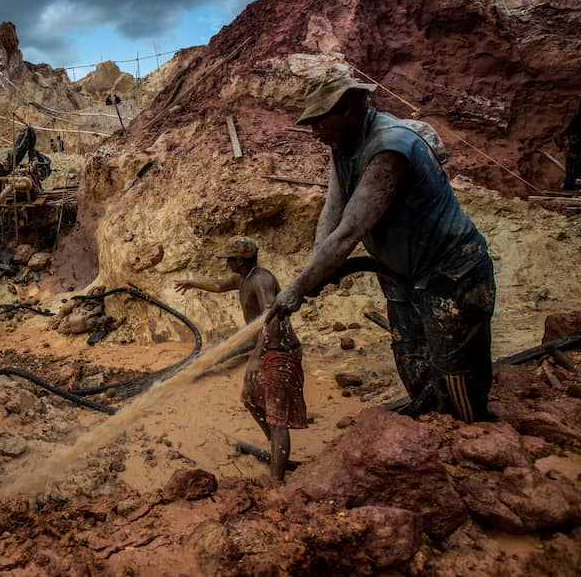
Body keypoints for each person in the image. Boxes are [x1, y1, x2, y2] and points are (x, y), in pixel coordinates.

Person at [266, 74, 496, 423]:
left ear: (348, 109)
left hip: (451, 272)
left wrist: (299, 286)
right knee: (410, 354)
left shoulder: (389, 149)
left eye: (319, 121)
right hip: (400, 274)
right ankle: (430, 432)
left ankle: (468, 438)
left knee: (455, 369)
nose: (314, 132)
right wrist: (314, 270)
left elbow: (349, 233)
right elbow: (333, 210)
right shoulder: (343, 147)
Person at [174, 236, 304, 482]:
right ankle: (277, 448)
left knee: (276, 417)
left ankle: (277, 481)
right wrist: (192, 283)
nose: (226, 264)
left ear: (241, 261)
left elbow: (272, 320)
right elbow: (219, 284)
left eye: (229, 260)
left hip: (281, 350)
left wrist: (256, 358)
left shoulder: (261, 280)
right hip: (266, 348)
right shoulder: (243, 277)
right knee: (251, 400)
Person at [562, 99, 580, 190]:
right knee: (573, 170)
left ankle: (571, 186)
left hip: (575, 148)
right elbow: (566, 131)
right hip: (575, 149)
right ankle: (570, 187)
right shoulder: (577, 117)